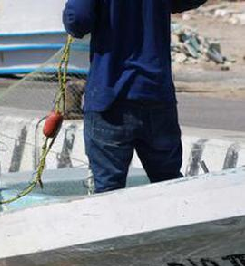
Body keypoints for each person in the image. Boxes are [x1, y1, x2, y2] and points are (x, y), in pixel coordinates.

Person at [63, 0, 207, 193]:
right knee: (170, 186)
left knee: (108, 192)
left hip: (110, 99)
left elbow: (78, 19)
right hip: (157, 94)